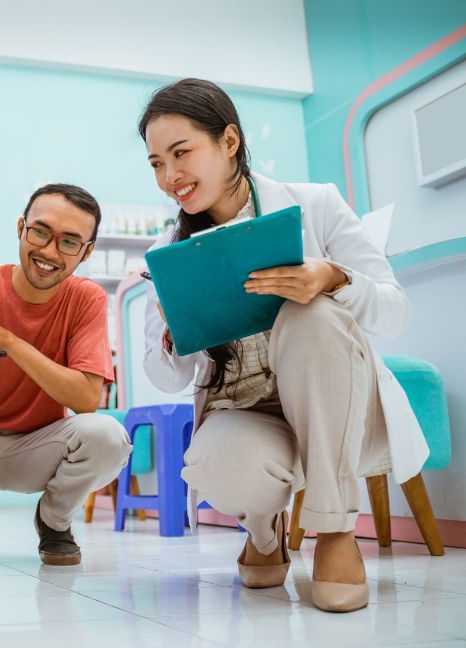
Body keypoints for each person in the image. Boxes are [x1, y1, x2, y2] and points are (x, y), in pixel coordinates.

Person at [138, 79, 429, 612]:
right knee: (216, 464)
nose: (169, 175)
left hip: (332, 398)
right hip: (244, 407)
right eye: (157, 163)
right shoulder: (168, 252)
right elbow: (166, 377)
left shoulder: (317, 204)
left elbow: (395, 310)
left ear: (229, 141)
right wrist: (173, 333)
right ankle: (264, 531)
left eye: (181, 153)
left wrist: (333, 277)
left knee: (312, 313)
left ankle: (335, 530)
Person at [0, 183, 132, 566]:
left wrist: (7, 340)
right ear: (20, 228)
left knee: (108, 436)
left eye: (69, 242)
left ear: (87, 252)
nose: (49, 252)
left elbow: (85, 400)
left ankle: (54, 521)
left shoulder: (87, 298)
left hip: (41, 451)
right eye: (40, 232)